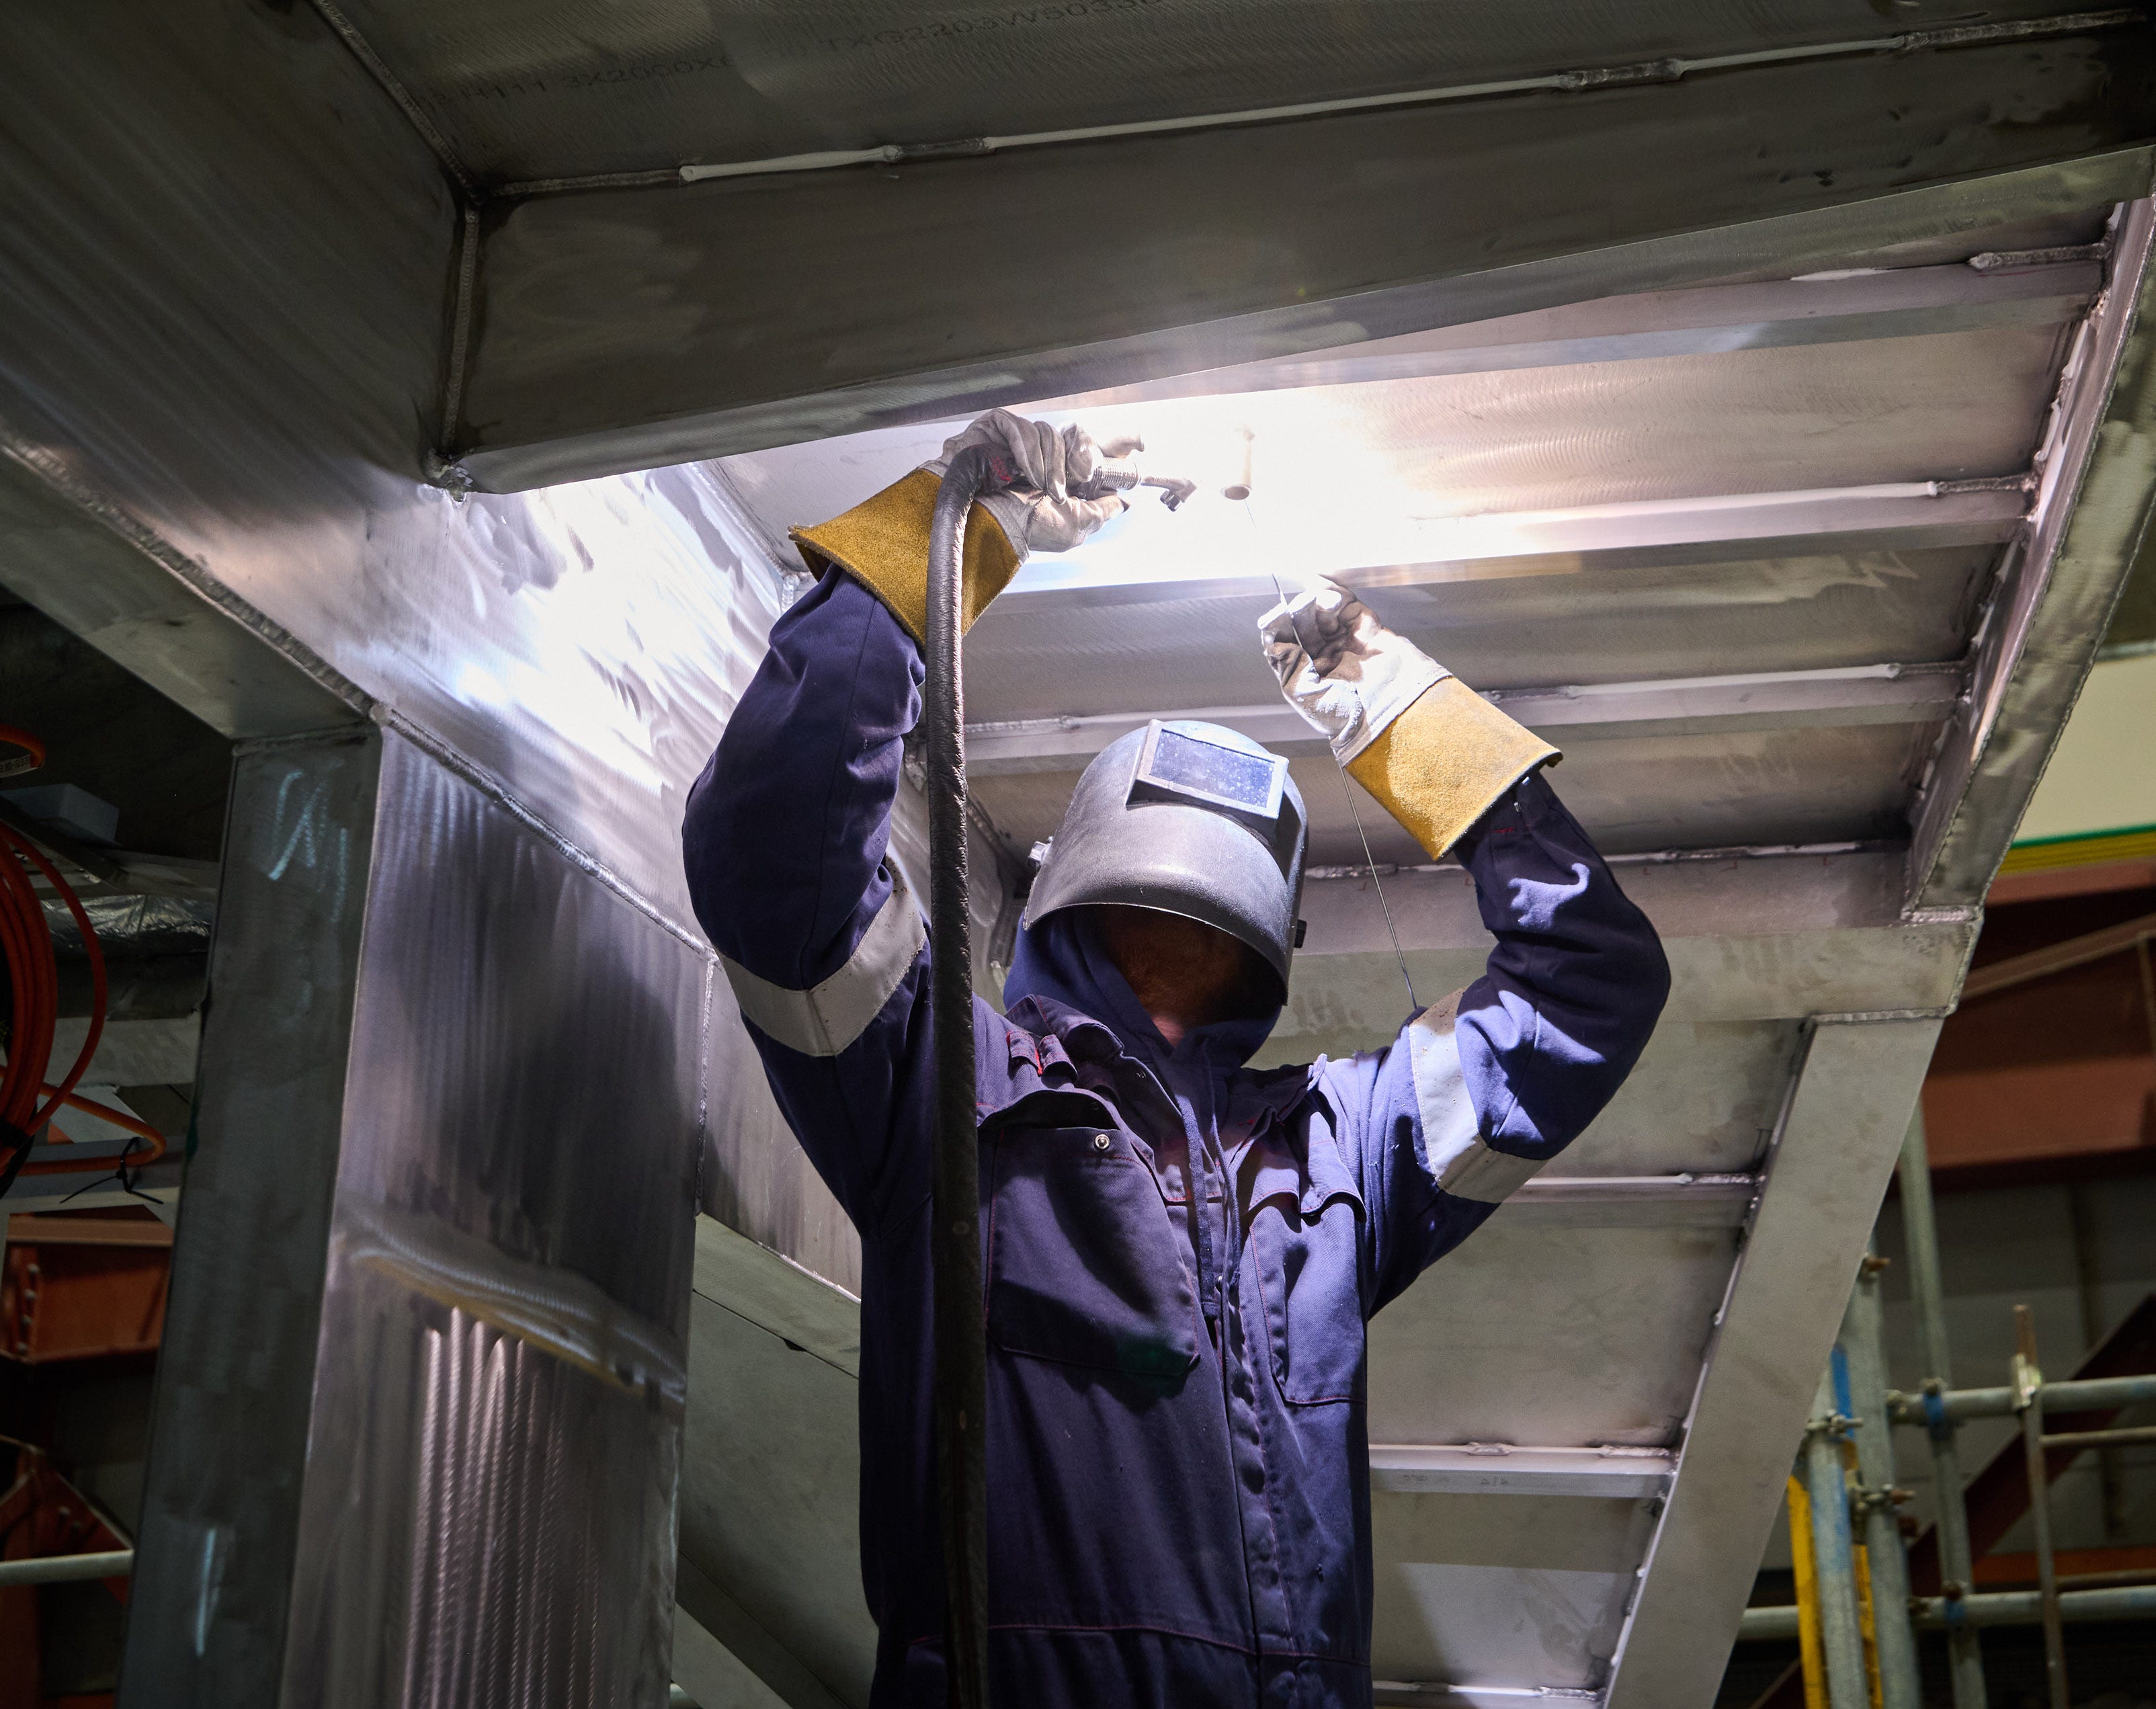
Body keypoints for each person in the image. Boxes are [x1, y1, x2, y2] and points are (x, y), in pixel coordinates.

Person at [684, 409, 1670, 1708]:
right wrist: (953, 529)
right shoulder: (945, 1085)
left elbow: (1591, 983)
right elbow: (775, 855)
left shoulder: (1340, 1147)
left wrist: (1404, 719)